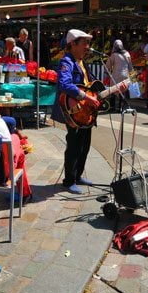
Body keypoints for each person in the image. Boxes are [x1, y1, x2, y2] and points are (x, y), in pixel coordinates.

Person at [52, 29, 109, 194]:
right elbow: (65, 84)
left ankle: (78, 176)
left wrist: (105, 91)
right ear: (73, 44)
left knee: (85, 146)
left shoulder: (83, 63)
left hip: (85, 112)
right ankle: (69, 180)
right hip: (75, 113)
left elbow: (90, 85)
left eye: (88, 43)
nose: (88, 47)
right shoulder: (66, 62)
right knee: (74, 146)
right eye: (85, 43)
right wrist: (87, 97)